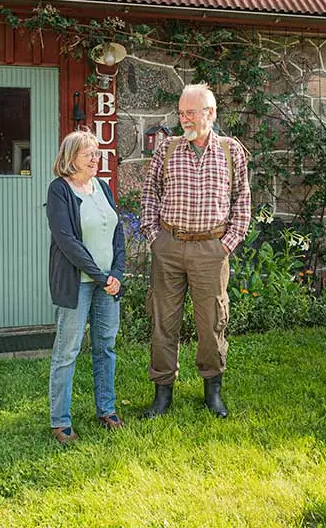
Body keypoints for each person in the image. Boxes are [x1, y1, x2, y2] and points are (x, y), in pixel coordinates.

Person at [140, 83, 251, 419]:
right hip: (169, 248)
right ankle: (162, 394)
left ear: (211, 113)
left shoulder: (232, 151)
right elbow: (149, 195)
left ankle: (212, 392)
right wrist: (154, 238)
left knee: (212, 322)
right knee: (163, 322)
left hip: (211, 249)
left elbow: (242, 202)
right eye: (181, 112)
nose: (184, 119)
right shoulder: (167, 149)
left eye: (191, 112)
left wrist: (225, 245)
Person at [46, 128, 126, 445]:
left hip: (108, 282)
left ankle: (106, 409)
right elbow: (68, 242)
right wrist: (100, 276)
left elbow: (117, 233)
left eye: (97, 153)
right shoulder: (59, 191)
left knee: (105, 347)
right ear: (70, 158)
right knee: (68, 351)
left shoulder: (103, 187)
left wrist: (117, 272)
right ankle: (60, 421)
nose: (96, 158)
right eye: (88, 154)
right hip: (78, 283)